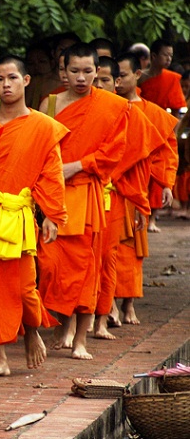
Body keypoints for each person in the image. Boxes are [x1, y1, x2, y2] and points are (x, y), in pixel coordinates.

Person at [0, 55, 67, 378]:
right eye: (0, 79)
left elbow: (52, 173)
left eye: (12, 78)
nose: (6, 85)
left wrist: (51, 215)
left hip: (20, 215)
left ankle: (31, 330)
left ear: (26, 81)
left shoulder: (42, 126)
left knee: (25, 287)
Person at [38, 43, 128, 360]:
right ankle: (62, 324)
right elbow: (38, 145)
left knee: (86, 269)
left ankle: (80, 340)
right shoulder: (50, 103)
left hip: (86, 194)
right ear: (64, 71)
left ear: (97, 71)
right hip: (53, 195)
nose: (81, 78)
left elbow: (113, 153)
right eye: (74, 71)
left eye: (88, 71)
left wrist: (76, 166)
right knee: (50, 265)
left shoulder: (111, 106)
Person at [90, 56, 156, 341]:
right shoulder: (78, 109)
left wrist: (141, 202)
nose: (98, 84)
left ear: (116, 82)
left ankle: (106, 314)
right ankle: (83, 317)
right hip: (84, 194)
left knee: (110, 258)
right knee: (84, 259)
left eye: (104, 80)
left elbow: (142, 160)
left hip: (118, 195)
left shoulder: (131, 114)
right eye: (95, 79)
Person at [114, 52, 179, 324]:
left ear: (137, 75)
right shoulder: (107, 108)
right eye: (113, 77)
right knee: (108, 249)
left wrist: (165, 183)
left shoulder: (151, 112)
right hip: (107, 188)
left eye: (122, 76)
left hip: (136, 189)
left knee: (133, 249)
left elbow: (166, 150)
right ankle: (108, 303)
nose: (117, 82)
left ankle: (128, 303)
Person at [139, 39, 186, 117]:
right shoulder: (139, 77)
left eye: (171, 56)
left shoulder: (172, 78)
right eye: (165, 55)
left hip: (161, 119)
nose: (169, 59)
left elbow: (176, 110)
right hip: (142, 117)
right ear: (154, 56)